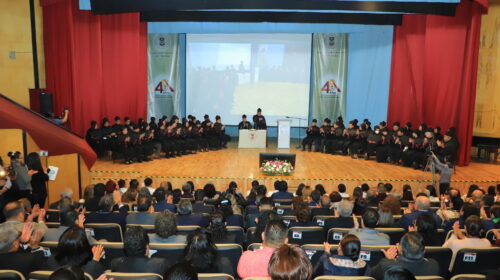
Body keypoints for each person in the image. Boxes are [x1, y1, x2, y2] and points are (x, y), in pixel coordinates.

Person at [366, 232, 439, 280]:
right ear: (424, 251)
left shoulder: (386, 265)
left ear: (400, 250)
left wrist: (389, 261)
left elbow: (370, 275)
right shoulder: (434, 265)